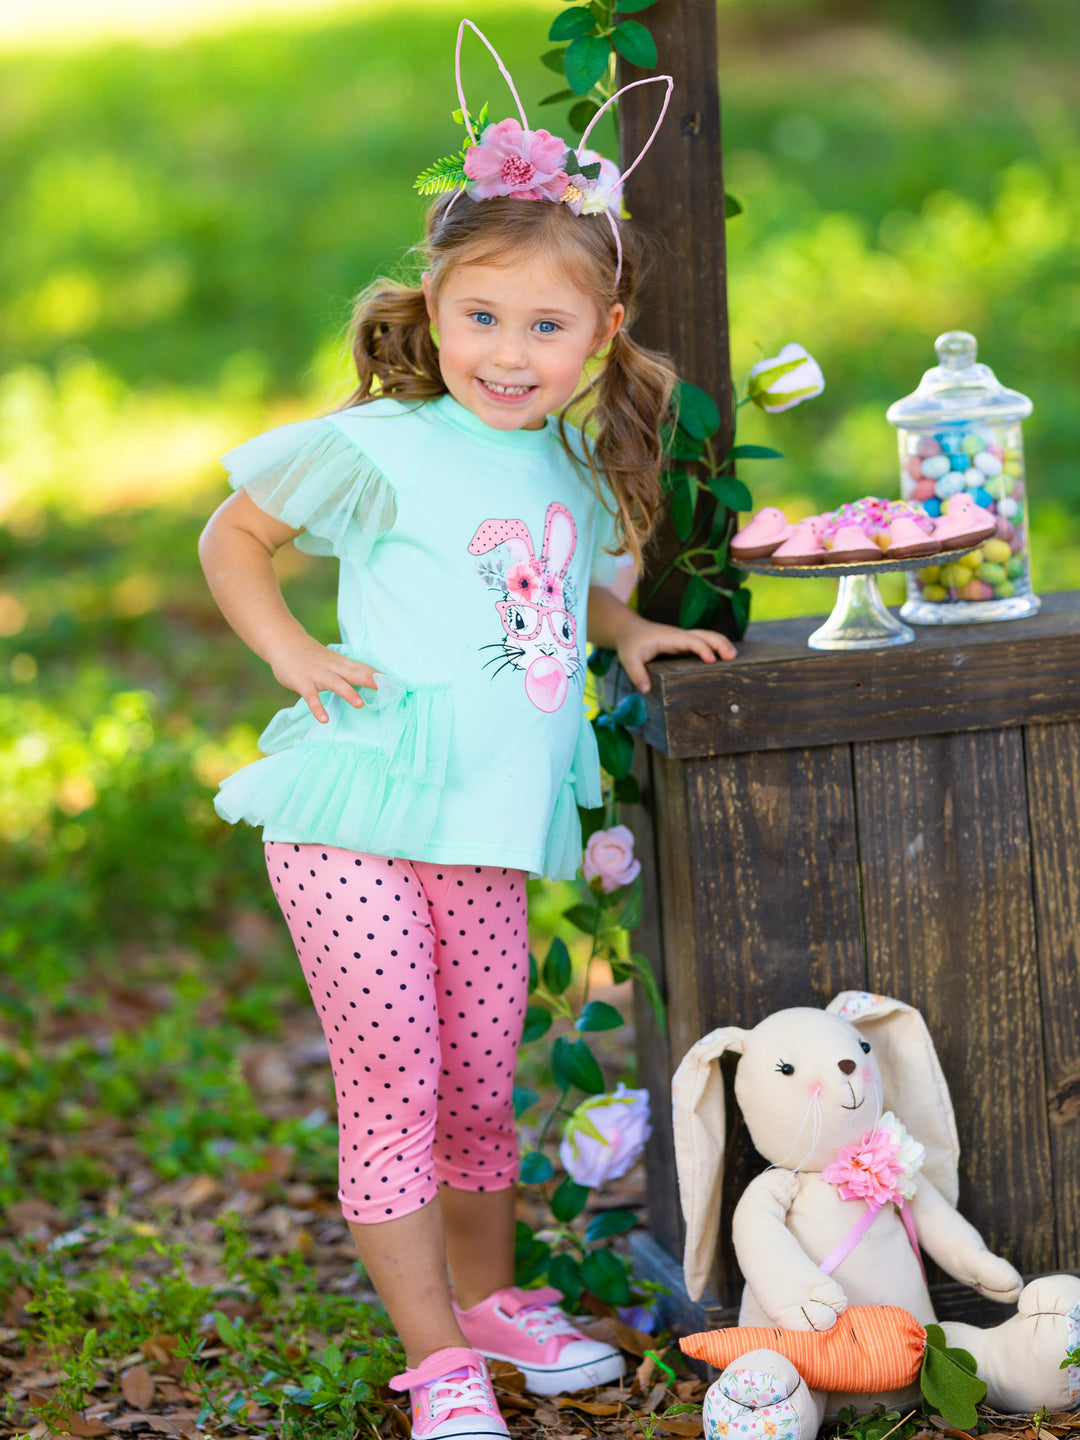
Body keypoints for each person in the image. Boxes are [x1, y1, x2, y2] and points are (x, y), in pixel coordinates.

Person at [199, 21, 735, 1439]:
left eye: (545, 326)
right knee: (396, 1083)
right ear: (435, 311)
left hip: (485, 829)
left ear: (602, 333)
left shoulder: (578, 463)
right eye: (480, 317)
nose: (508, 352)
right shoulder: (385, 442)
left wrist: (628, 631)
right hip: (362, 814)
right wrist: (296, 652)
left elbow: (569, 588)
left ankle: (493, 1301)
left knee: (481, 1087)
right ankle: (436, 1356)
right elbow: (233, 538)